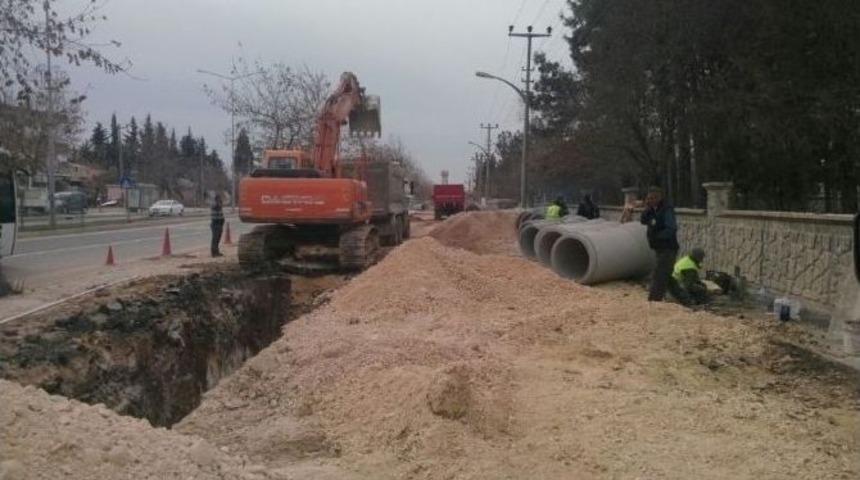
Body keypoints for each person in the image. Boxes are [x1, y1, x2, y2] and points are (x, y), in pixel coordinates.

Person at [640, 187, 679, 301]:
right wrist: (647, 208)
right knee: (665, 275)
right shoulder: (652, 210)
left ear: (659, 198)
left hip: (668, 248)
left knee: (658, 274)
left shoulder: (666, 210)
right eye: (648, 198)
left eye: (652, 198)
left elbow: (671, 228)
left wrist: (658, 237)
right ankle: (686, 299)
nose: (649, 200)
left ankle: (654, 300)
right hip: (658, 248)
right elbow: (643, 220)